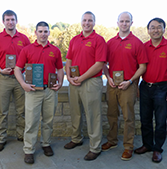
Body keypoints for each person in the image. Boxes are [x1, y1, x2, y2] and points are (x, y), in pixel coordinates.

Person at [14, 21, 64, 164]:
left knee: (48, 120)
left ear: (49, 33)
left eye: (45, 31)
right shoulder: (27, 50)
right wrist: (23, 84)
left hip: (50, 91)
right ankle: (29, 149)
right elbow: (17, 68)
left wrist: (60, 83)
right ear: (35, 33)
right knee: (31, 121)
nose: (43, 34)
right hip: (33, 90)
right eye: (40, 31)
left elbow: (60, 69)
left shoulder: (55, 50)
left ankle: (46, 144)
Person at [101, 11, 148, 161]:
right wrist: (107, 77)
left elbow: (142, 67)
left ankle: (128, 146)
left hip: (128, 85)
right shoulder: (110, 42)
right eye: (121, 21)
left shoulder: (137, 43)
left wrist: (130, 81)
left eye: (127, 21)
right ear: (117, 23)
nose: (124, 24)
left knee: (128, 117)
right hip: (112, 85)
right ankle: (112, 140)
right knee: (112, 114)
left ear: (131, 23)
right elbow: (102, 63)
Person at [134, 18, 167, 163]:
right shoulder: (143, 47)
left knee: (160, 121)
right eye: (152, 27)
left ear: (164, 29)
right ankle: (147, 145)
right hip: (145, 87)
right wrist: (136, 86)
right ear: (148, 30)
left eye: (159, 27)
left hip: (162, 88)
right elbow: (139, 68)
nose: (155, 30)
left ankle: (157, 149)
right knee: (145, 119)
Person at [64, 11, 107, 161]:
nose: (87, 23)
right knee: (76, 112)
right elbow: (69, 59)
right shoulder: (75, 39)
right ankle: (76, 138)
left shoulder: (99, 40)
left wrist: (81, 78)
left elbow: (99, 64)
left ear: (94, 23)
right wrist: (68, 76)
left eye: (90, 20)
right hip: (74, 81)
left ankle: (95, 147)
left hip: (91, 82)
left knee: (93, 114)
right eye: (85, 20)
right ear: (81, 22)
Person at [0, 10, 30, 152]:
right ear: (3, 22)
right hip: (4, 79)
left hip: (20, 80)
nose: (10, 22)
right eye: (7, 19)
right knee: (2, 111)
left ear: (16, 21)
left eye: (12, 19)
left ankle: (21, 135)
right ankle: (1, 139)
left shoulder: (24, 39)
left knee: (21, 111)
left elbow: (30, 59)